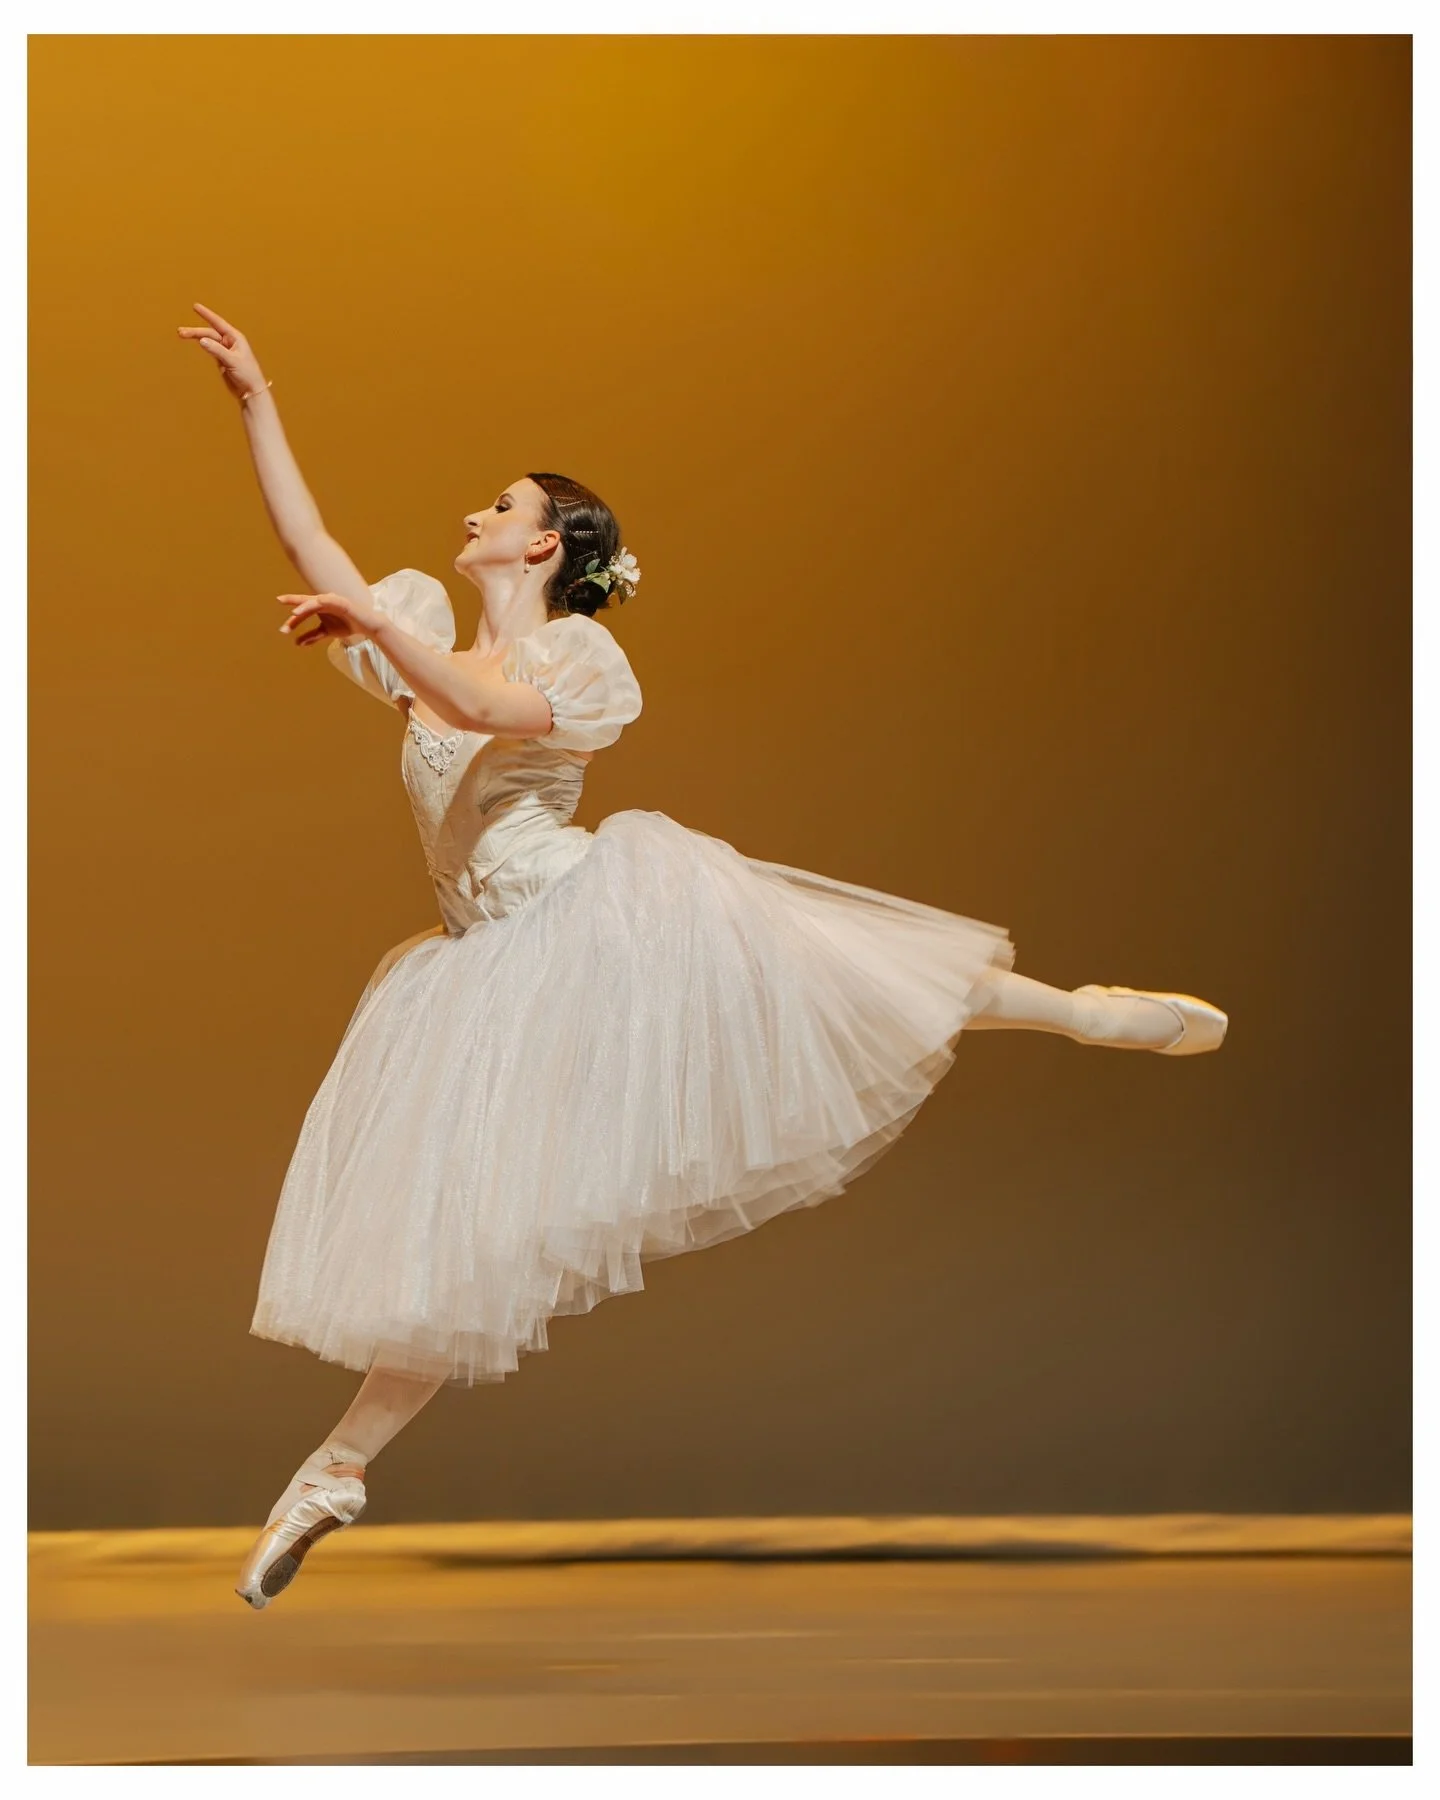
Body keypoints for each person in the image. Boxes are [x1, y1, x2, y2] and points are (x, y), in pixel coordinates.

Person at [177, 303, 1228, 1611]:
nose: (472, 512)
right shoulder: (409, 640)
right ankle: (332, 1476)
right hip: (478, 970)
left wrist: (376, 631)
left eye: (497, 503)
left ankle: (1083, 1011)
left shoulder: (575, 651)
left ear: (542, 541)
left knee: (834, 968)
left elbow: (486, 709)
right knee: (471, 1243)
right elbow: (315, 546)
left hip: (591, 923)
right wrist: (255, 398)